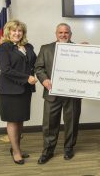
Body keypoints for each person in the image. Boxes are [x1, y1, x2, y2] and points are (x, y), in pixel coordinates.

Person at [35, 23, 82, 164]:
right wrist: (44, 80)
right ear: (56, 34)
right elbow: (38, 68)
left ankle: (68, 148)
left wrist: (89, 51)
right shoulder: (46, 49)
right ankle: (48, 151)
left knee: (72, 122)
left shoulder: (79, 49)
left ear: (70, 34)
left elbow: (87, 67)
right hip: (52, 93)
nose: (63, 35)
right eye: (60, 32)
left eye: (66, 32)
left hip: (72, 94)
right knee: (49, 124)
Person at [0, 20, 37, 165]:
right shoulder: (3, 48)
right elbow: (6, 70)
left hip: (24, 90)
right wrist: (27, 78)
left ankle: (16, 147)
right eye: (14, 30)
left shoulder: (28, 47)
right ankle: (16, 151)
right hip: (9, 90)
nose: (17, 33)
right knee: (13, 120)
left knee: (20, 120)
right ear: (8, 32)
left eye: (19, 31)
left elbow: (37, 64)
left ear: (23, 33)